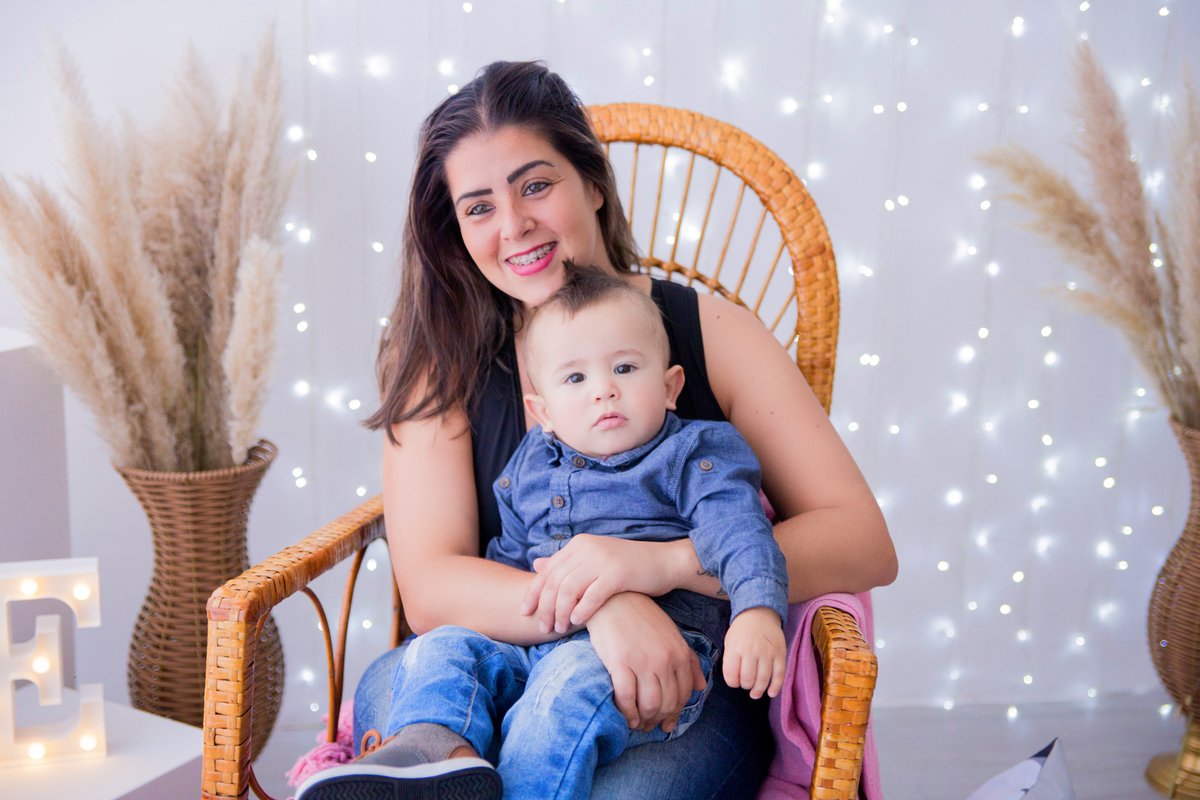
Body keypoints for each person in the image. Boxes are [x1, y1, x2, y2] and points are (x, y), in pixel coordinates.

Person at [346, 60, 896, 800]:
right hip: (486, 661)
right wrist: (605, 601)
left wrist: (659, 568)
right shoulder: (438, 365)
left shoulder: (709, 334)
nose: (514, 227)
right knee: (419, 687)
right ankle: (437, 760)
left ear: (594, 184)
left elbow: (862, 540)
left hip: (672, 680)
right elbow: (433, 587)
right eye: (478, 208)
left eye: (536, 185)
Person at [297, 266, 790, 800]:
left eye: (625, 368)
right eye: (576, 379)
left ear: (671, 387)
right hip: (540, 637)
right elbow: (508, 560)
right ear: (543, 412)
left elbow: (742, 535)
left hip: (655, 651)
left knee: (559, 697)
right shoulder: (529, 467)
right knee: (439, 650)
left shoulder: (693, 454)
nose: (604, 391)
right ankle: (436, 756)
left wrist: (758, 610)